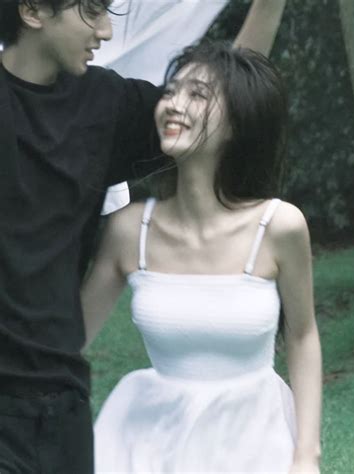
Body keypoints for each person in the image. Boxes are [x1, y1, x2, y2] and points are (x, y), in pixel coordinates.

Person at [0, 1, 286, 472]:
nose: (106, 32)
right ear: (32, 11)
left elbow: (225, 101)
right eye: (92, 12)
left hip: (62, 402)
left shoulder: (104, 105)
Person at [82, 41, 322, 473]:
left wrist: (306, 454)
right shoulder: (129, 231)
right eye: (171, 91)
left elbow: (303, 337)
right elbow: (65, 342)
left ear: (238, 123)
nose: (173, 104)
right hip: (154, 443)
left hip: (255, 441)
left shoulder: (279, 227)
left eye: (198, 95)